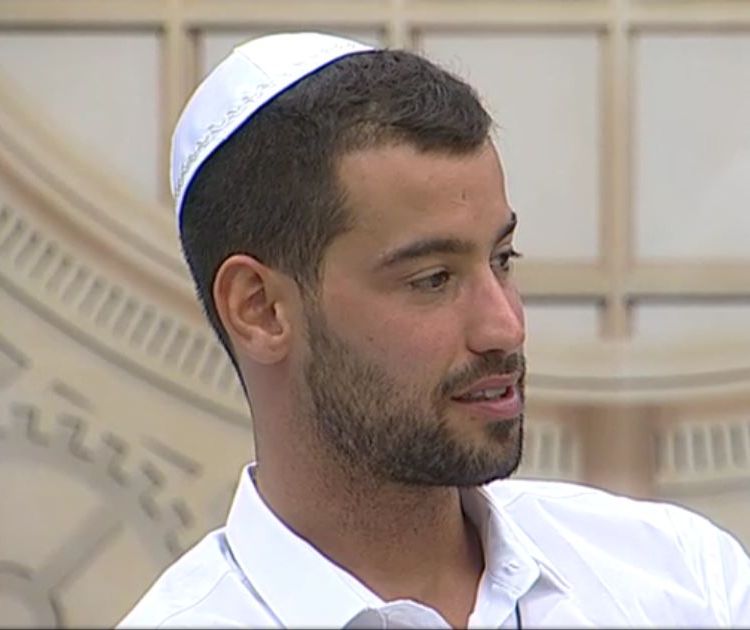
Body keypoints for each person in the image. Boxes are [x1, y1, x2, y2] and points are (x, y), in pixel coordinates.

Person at [118, 31, 750, 628]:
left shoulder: (680, 579)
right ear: (260, 309)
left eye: (502, 259)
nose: (506, 326)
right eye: (433, 279)